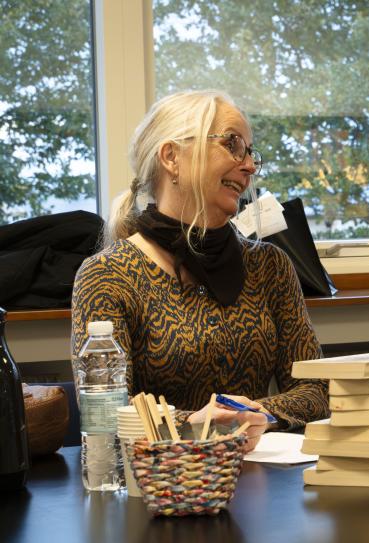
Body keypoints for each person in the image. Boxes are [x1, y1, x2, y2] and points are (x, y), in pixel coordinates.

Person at [71, 90, 329, 449]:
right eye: (233, 144)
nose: (250, 166)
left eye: (251, 152)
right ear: (172, 157)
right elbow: (106, 410)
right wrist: (193, 425)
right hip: (160, 486)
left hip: (260, 481)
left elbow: (315, 388)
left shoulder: (269, 266)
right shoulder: (107, 275)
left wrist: (258, 414)